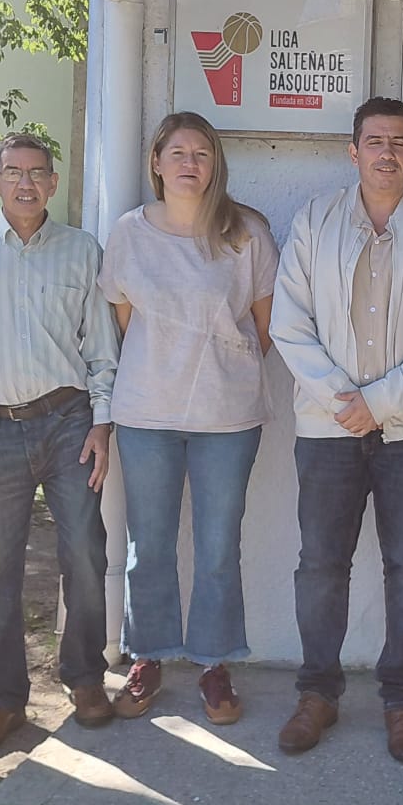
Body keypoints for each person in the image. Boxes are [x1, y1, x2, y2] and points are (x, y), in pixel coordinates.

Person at [270, 98, 403, 763]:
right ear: (352, 151)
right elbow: (288, 322)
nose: (388, 152)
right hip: (327, 428)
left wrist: (380, 402)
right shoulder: (315, 221)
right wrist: (342, 400)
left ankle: (401, 701)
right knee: (320, 565)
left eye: (401, 142)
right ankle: (318, 695)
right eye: (375, 140)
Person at [0, 133, 121, 753]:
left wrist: (101, 421)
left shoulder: (81, 251)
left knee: (86, 557)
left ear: (53, 182)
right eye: (13, 172)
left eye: (38, 173)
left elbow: (100, 346)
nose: (25, 183)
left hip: (68, 420)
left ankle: (85, 678)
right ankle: (5, 699)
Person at [97, 112, 277, 725]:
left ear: (215, 163)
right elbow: (123, 321)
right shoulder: (129, 233)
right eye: (177, 152)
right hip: (147, 412)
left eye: (202, 153)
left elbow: (264, 324)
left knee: (218, 546)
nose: (190, 163)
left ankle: (213, 663)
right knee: (147, 544)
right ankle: (146, 655)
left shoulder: (245, 231)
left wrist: (218, 367)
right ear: (157, 162)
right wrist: (166, 365)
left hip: (227, 417)